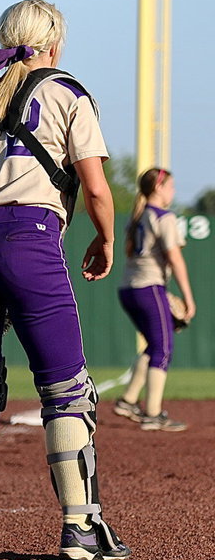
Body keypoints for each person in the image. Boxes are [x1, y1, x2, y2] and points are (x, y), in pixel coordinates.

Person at [0, 0, 130, 560]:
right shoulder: (67, 91)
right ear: (55, 42)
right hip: (33, 239)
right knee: (67, 390)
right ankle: (81, 528)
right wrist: (106, 239)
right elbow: (94, 188)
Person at [113, 167, 195, 431]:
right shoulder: (163, 216)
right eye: (170, 186)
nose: (173, 191)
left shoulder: (138, 215)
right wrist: (188, 296)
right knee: (164, 349)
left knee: (154, 345)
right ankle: (153, 414)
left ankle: (128, 400)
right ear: (158, 188)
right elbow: (175, 257)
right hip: (149, 287)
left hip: (129, 288)